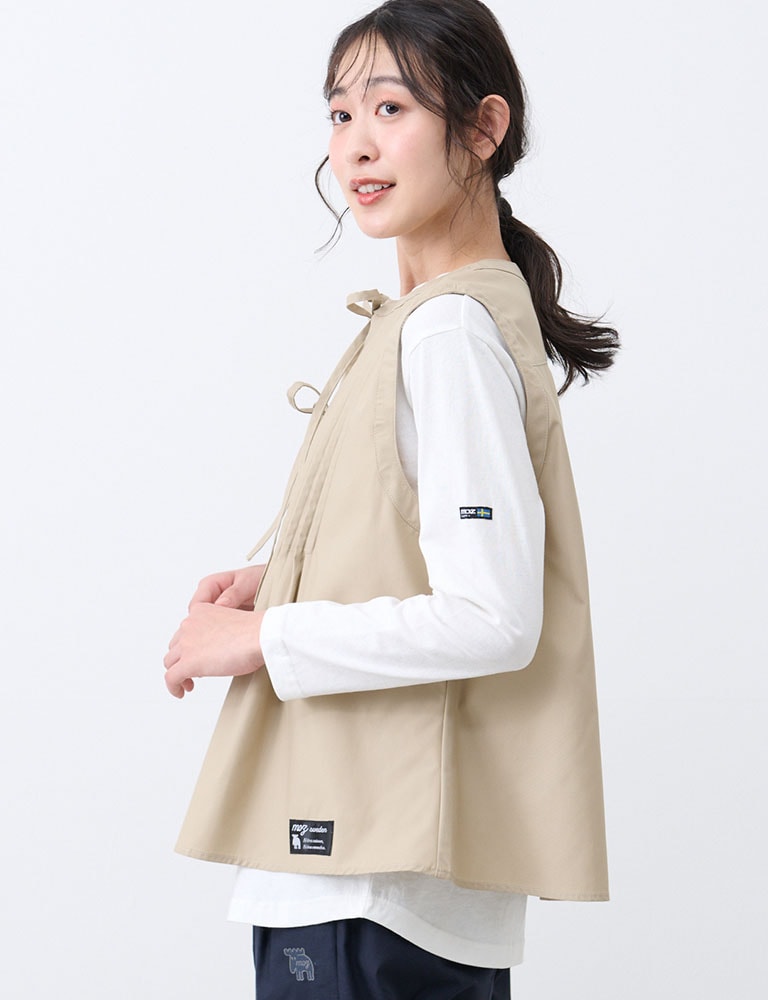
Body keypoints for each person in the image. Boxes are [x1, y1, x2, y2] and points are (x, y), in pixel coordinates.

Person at [163, 1, 619, 995]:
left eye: (390, 107)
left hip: (366, 875)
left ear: (483, 128)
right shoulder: (436, 319)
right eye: (339, 114)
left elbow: (492, 617)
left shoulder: (447, 333)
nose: (356, 145)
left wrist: (263, 638)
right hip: (373, 873)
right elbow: (429, 544)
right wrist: (282, 576)